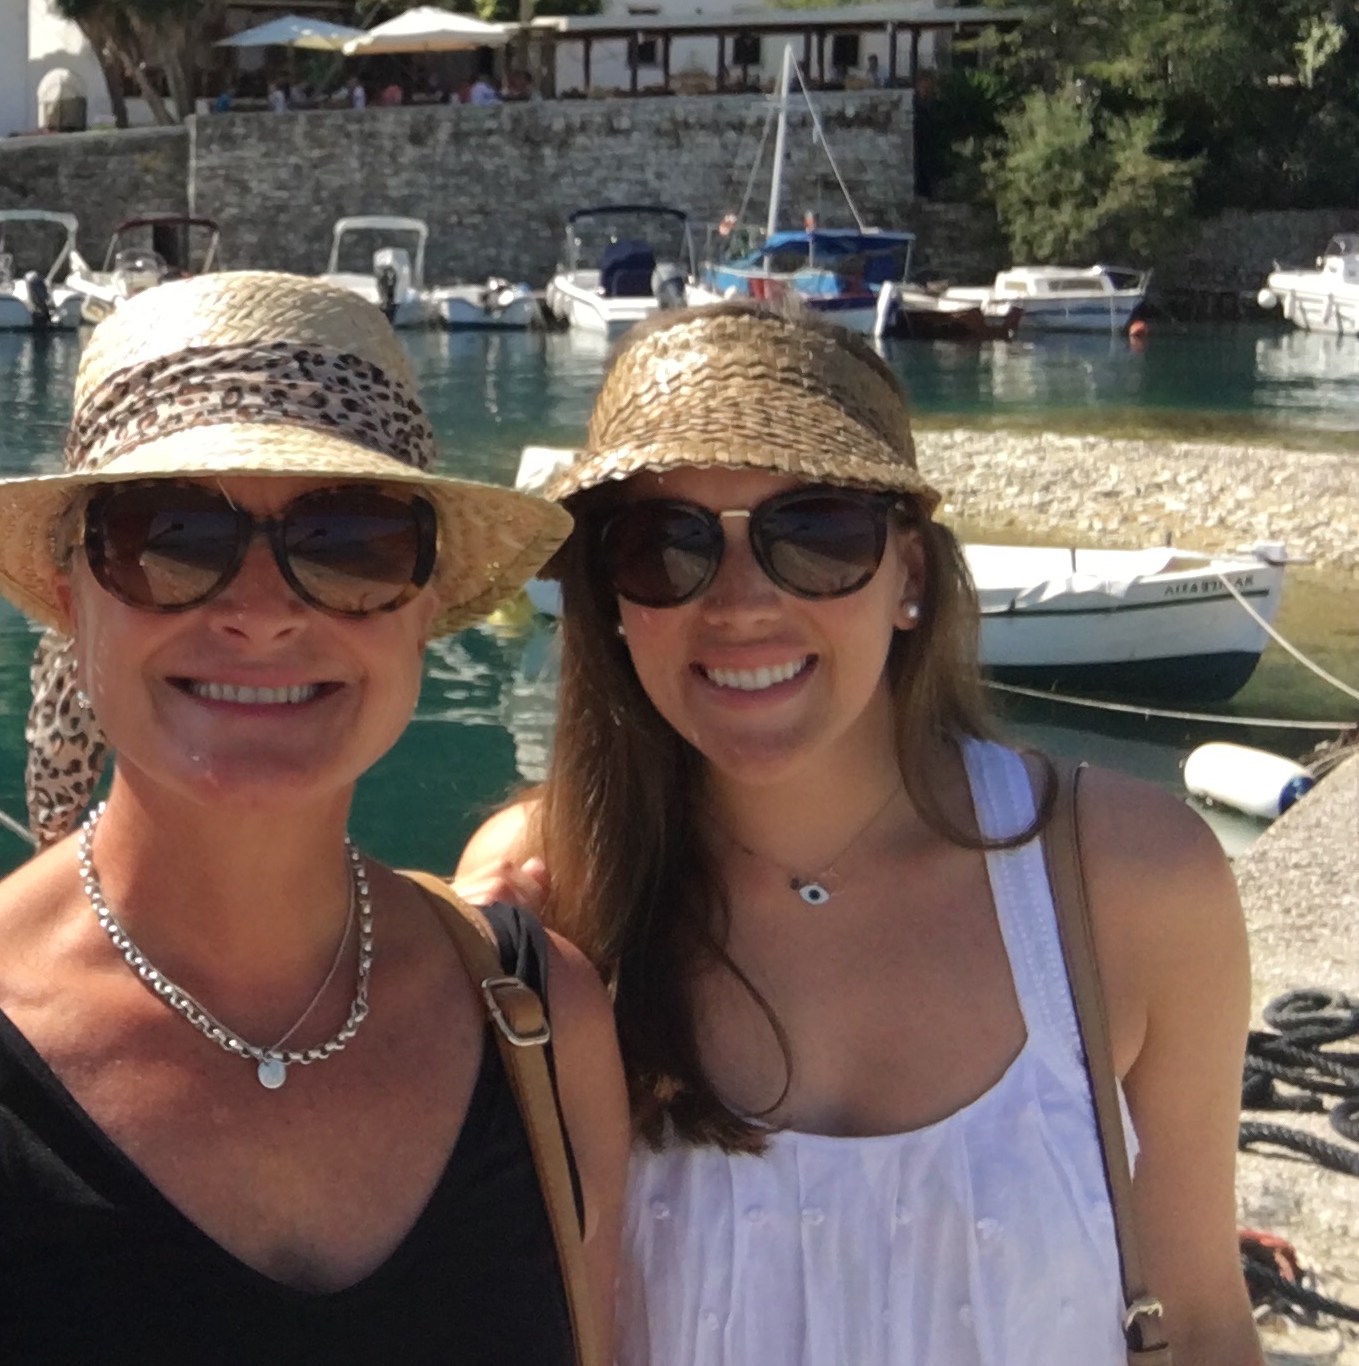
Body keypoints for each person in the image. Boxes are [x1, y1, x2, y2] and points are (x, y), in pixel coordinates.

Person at [0, 273, 629, 1361]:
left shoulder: (543, 1022)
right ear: (69, 598)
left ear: (422, 608)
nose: (261, 615)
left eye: (348, 543)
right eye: (170, 538)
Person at [455, 304, 1258, 1365]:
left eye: (814, 532)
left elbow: (1202, 1321)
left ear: (910, 575)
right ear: (608, 598)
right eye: (665, 546)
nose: (739, 603)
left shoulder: (1131, 881)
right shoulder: (549, 899)